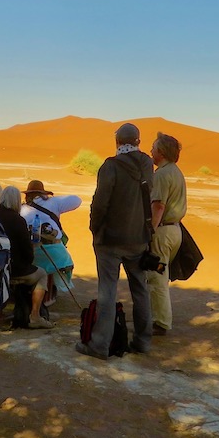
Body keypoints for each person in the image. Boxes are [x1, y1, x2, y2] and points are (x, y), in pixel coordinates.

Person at [78, 122, 154, 358]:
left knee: (108, 291)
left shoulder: (110, 167)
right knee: (140, 289)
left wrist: (94, 227)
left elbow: (100, 203)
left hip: (110, 240)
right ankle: (142, 341)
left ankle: (100, 344)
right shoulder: (147, 164)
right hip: (139, 238)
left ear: (117, 142)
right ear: (139, 142)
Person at [0, 186, 54, 330]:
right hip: (15, 268)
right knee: (41, 275)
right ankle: (34, 316)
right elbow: (27, 252)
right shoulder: (18, 220)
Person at [146, 132, 187, 336]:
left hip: (162, 232)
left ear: (160, 152)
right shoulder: (175, 171)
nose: (150, 151)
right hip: (174, 230)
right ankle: (155, 316)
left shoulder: (161, 174)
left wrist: (150, 231)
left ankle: (160, 322)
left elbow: (159, 206)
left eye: (153, 147)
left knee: (157, 276)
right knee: (159, 274)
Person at [20, 179, 81, 299]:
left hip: (29, 253)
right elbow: (77, 200)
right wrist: (54, 201)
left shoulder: (21, 208)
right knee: (64, 259)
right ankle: (53, 290)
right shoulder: (53, 203)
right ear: (43, 193)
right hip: (55, 254)